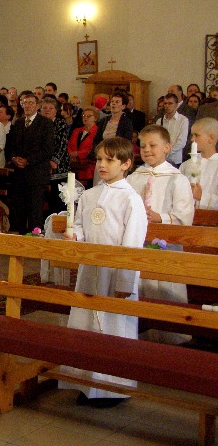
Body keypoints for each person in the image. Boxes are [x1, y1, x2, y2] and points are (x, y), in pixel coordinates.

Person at [60, 137, 148, 406]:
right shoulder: (89, 195)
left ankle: (112, 389)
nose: (102, 164)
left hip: (115, 274)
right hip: (90, 270)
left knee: (113, 328)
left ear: (126, 164)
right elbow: (81, 226)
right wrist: (75, 236)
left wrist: (125, 281)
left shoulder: (131, 199)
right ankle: (85, 383)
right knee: (86, 324)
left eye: (110, 160)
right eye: (99, 159)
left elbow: (133, 243)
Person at [127, 125, 194, 344]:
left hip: (167, 245)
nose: (146, 149)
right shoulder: (134, 177)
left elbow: (185, 216)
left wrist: (160, 217)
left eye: (152, 145)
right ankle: (141, 334)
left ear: (167, 147)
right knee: (140, 289)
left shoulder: (178, 179)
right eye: (143, 146)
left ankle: (172, 337)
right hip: (139, 244)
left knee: (165, 290)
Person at [5, 93, 55, 233]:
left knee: (35, 212)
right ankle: (21, 239)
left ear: (37, 106)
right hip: (19, 174)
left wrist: (28, 161)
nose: (27, 106)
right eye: (25, 103)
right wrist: (13, 158)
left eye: (31, 103)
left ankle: (35, 239)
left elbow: (48, 149)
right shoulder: (18, 123)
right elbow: (10, 146)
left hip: (36, 174)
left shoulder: (46, 123)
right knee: (19, 211)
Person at [179, 117, 218, 209]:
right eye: (192, 135)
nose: (192, 139)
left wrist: (202, 196)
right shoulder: (186, 165)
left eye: (197, 135)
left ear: (211, 138)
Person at [41, 97, 70, 216]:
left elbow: (62, 143)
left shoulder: (60, 123)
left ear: (56, 110)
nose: (47, 110)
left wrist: (54, 161)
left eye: (51, 108)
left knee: (58, 199)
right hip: (41, 164)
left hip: (59, 166)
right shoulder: (39, 123)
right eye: (44, 108)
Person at [68, 107, 98, 189]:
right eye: (84, 116)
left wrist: (78, 154)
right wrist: (71, 154)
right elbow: (69, 145)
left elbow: (94, 149)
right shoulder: (76, 131)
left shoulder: (97, 132)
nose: (85, 118)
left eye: (89, 116)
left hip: (88, 168)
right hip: (74, 165)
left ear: (95, 118)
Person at [156, 93, 189, 167]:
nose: (167, 106)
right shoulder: (159, 121)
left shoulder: (183, 120)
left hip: (175, 159)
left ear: (176, 105)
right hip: (161, 159)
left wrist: (167, 152)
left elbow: (181, 142)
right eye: (165, 103)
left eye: (170, 103)